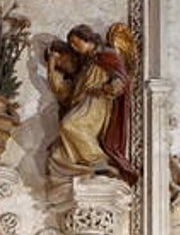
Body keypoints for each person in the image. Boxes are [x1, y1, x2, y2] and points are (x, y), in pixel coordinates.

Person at [45, 24, 137, 186]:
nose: (73, 47)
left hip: (97, 104)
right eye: (71, 44)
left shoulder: (106, 56)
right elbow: (64, 92)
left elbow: (121, 80)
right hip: (82, 105)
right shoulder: (85, 66)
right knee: (58, 153)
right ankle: (85, 169)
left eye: (75, 42)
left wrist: (107, 88)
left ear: (86, 38)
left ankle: (100, 161)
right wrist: (51, 67)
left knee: (69, 125)